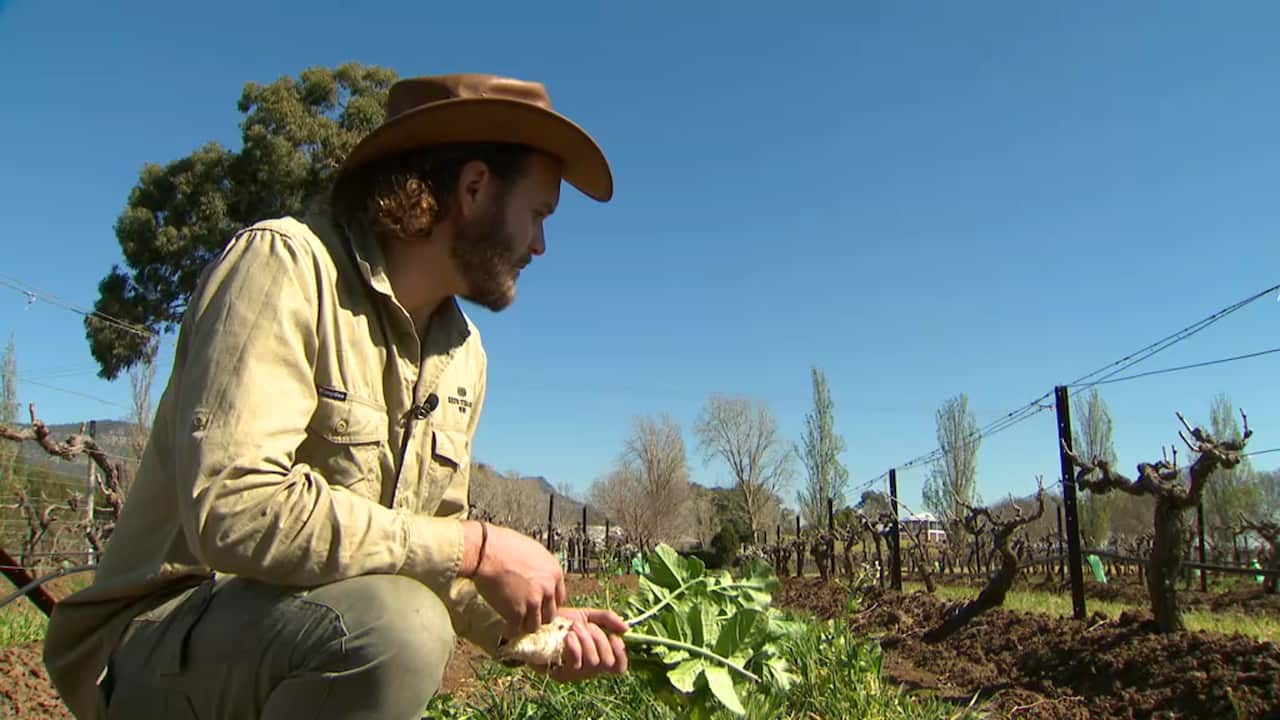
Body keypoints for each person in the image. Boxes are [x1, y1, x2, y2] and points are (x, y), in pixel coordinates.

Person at [43, 73, 628, 720]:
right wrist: (479, 546)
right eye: (539, 214)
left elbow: (431, 558)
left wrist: (534, 631)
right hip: (150, 643)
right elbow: (236, 509)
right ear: (474, 189)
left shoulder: (464, 356)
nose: (541, 246)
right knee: (401, 630)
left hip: (303, 631)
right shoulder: (284, 268)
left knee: (402, 620)